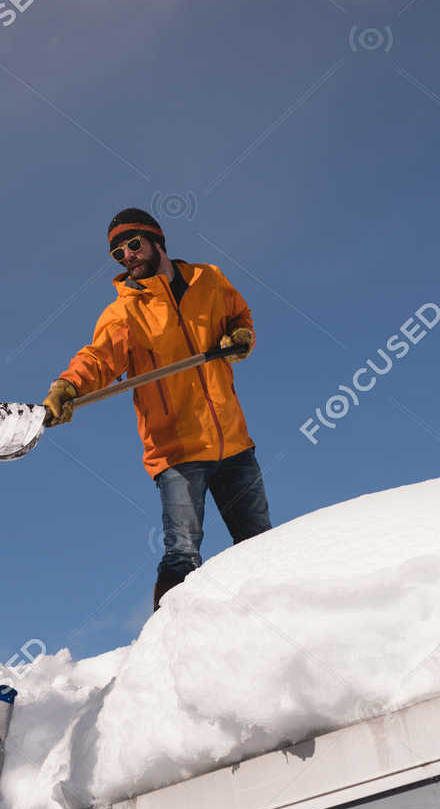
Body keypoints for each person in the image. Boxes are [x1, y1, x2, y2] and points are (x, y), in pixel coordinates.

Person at [43, 208, 274, 611]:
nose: (128, 255)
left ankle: (276, 619)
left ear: (156, 241)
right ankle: (167, 646)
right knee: (182, 554)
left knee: (261, 542)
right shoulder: (125, 312)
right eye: (118, 253)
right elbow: (98, 359)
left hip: (234, 443)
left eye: (133, 244)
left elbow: (240, 314)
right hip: (177, 454)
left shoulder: (210, 280)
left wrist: (241, 335)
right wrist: (69, 385)